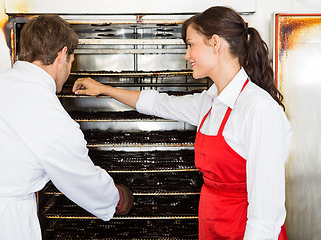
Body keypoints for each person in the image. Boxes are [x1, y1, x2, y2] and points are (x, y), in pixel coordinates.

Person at [72, 6, 292, 240]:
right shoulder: (210, 102)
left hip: (243, 230)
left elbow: (267, 215)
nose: (187, 55)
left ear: (215, 43)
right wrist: (104, 89)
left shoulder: (258, 109)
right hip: (212, 225)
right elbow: (157, 103)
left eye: (190, 44)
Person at [0, 15, 133, 240]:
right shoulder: (51, 117)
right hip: (3, 225)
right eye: (71, 60)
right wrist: (118, 199)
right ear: (62, 55)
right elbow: (81, 180)